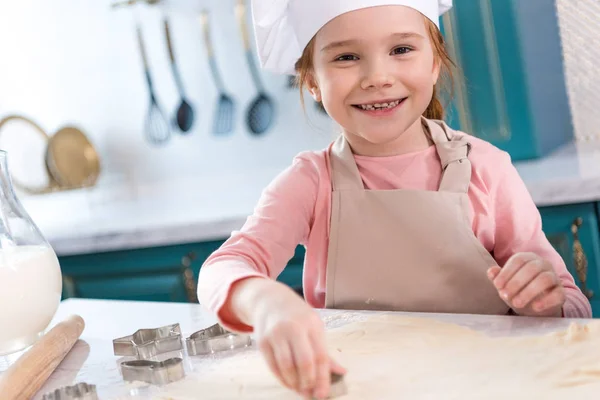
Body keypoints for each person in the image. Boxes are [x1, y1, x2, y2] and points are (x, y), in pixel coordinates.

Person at [197, 0, 593, 398]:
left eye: (401, 50)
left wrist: (541, 301)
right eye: (347, 57)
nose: (377, 76)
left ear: (435, 63)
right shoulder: (312, 182)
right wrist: (264, 303)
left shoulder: (486, 168)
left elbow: (573, 309)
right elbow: (223, 267)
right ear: (313, 81)